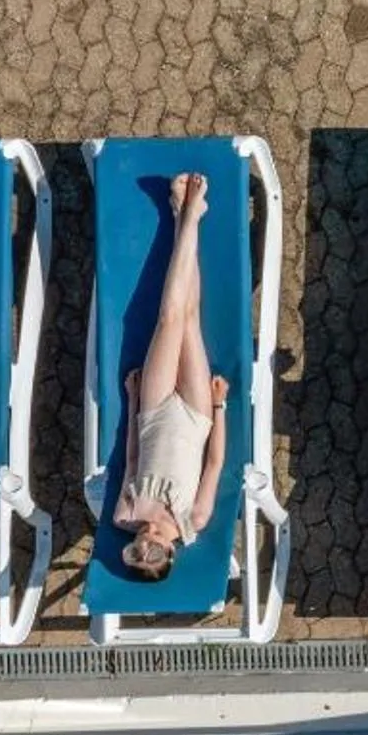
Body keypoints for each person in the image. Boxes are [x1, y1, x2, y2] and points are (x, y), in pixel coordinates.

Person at [112, 172, 231, 579]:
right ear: (170, 553)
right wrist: (220, 405)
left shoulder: (124, 515)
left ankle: (189, 216)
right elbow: (214, 463)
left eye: (136, 548)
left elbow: (130, 457)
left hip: (153, 411)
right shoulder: (193, 520)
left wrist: (132, 401)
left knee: (169, 319)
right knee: (190, 321)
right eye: (154, 548)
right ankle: (186, 216)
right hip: (198, 416)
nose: (146, 537)